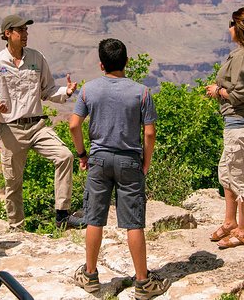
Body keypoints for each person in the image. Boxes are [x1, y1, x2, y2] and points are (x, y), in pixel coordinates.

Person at [70, 38, 170, 300]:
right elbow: (149, 133)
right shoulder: (142, 92)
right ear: (126, 62)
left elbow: (73, 125)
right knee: (133, 223)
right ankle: (143, 283)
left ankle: (90, 277)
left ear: (101, 64)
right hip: (129, 161)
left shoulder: (88, 90)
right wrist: (145, 161)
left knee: (94, 218)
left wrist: (82, 154)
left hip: (99, 160)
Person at [0, 14, 83, 230]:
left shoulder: (37, 58)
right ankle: (16, 228)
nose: (26, 34)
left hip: (37, 126)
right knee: (13, 182)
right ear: (8, 34)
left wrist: (67, 91)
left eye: (26, 30)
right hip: (11, 129)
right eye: (21, 30)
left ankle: (62, 216)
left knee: (65, 156)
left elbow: (48, 91)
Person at [205, 7, 244, 249]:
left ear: (240, 28)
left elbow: (240, 94)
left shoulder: (243, 56)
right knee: (227, 171)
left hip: (242, 124)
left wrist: (218, 91)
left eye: (232, 24)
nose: (229, 28)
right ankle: (230, 221)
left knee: (240, 176)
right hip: (238, 124)